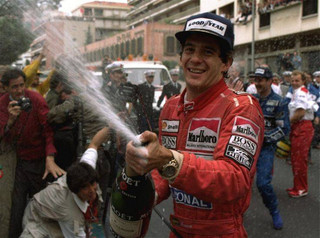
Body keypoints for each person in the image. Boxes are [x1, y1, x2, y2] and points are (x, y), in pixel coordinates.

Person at [124, 12, 265, 237]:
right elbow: (162, 174)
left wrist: (169, 159)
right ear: (181, 57)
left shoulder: (242, 107)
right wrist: (140, 186)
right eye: (189, 49)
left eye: (207, 51)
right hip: (178, 229)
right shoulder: (170, 108)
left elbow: (235, 179)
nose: (195, 59)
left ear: (225, 62)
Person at [0, 68, 65, 238]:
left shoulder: (35, 99)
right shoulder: (2, 104)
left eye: (22, 85)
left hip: (39, 164)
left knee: (40, 208)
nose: (20, 90)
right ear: (6, 88)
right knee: (16, 209)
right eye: (14, 87)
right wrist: (11, 121)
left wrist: (50, 157)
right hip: (19, 164)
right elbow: (4, 138)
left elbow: (48, 130)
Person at [21, 160, 100, 238]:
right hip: (37, 219)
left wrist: (93, 146)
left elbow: (89, 156)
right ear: (76, 190)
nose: (92, 190)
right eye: (85, 187)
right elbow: (77, 234)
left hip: (59, 216)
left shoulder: (81, 172)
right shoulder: (72, 215)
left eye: (92, 183)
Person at [252, 67, 290, 230]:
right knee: (239, 182)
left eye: (261, 80)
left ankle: (274, 210)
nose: (257, 83)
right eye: (256, 80)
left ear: (269, 81)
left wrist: (264, 138)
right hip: (247, 147)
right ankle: (235, 214)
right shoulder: (251, 99)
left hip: (266, 149)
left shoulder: (280, 102)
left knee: (263, 184)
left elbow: (283, 129)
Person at [287, 70, 318, 198]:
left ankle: (301, 188)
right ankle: (298, 185)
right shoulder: (301, 91)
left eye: (297, 80)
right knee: (296, 158)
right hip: (302, 126)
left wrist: (288, 123)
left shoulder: (300, 92)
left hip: (302, 126)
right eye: (293, 80)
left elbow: (300, 112)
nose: (294, 83)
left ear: (303, 81)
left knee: (299, 159)